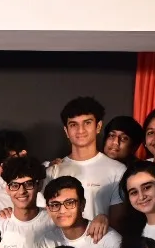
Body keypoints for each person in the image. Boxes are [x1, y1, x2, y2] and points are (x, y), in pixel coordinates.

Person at [47, 96, 126, 227]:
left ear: (98, 126)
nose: (81, 130)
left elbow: (118, 222)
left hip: (103, 240)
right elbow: (46, 218)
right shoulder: (53, 170)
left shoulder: (118, 170)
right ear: (66, 131)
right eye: (73, 124)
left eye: (87, 123)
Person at [43, 177, 119, 248]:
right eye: (55, 205)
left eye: (70, 203)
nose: (62, 210)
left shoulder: (109, 241)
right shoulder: (47, 241)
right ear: (48, 209)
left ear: (82, 205)